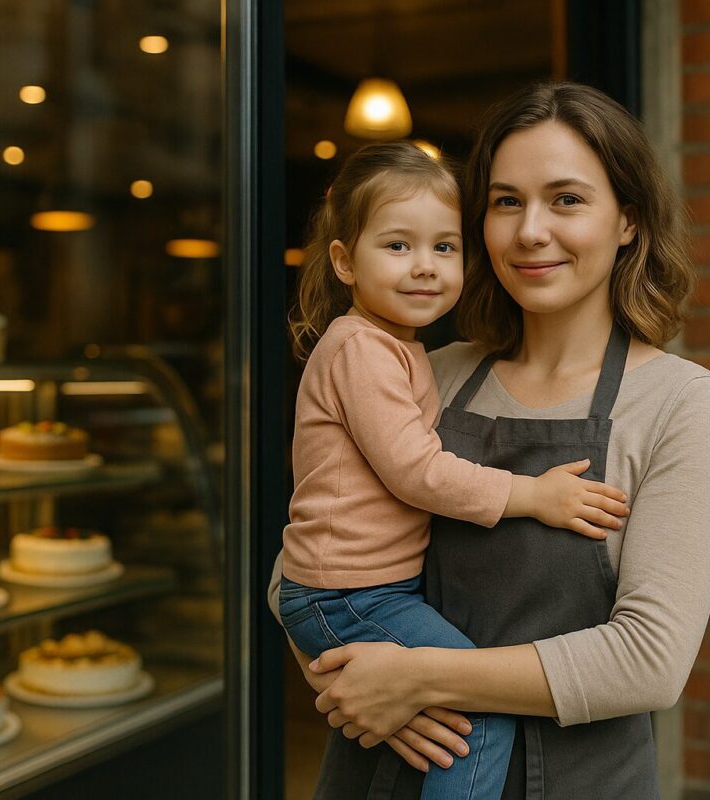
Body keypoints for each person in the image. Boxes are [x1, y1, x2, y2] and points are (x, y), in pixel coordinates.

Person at [269, 82, 710, 799]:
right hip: (386, 771)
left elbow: (649, 660)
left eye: (568, 200)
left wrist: (416, 678)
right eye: (507, 201)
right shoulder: (434, 372)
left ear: (628, 221)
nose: (529, 232)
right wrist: (359, 691)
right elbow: (296, 572)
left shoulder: (681, 403)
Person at [279, 140, 632, 800]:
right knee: (478, 721)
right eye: (398, 247)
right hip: (354, 594)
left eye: (444, 248)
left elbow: (650, 661)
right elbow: (417, 471)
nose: (425, 268)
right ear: (343, 262)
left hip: (370, 590)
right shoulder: (365, 349)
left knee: (454, 722)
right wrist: (533, 495)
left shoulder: (405, 349)